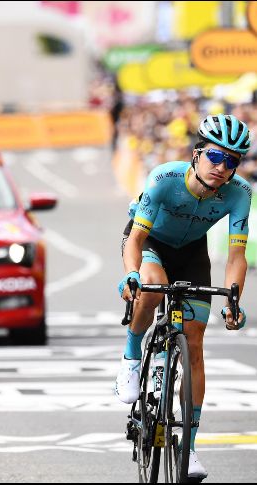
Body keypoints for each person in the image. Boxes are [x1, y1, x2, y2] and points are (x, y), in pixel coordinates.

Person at [116, 114, 251, 480]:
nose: (223, 167)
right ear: (196, 153)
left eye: (233, 161)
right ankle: (131, 355)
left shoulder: (240, 193)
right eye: (216, 156)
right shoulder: (164, 177)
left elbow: (237, 255)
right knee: (152, 284)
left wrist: (233, 300)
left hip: (192, 252)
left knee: (194, 342)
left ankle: (187, 449)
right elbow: (136, 238)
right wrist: (132, 273)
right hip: (150, 244)